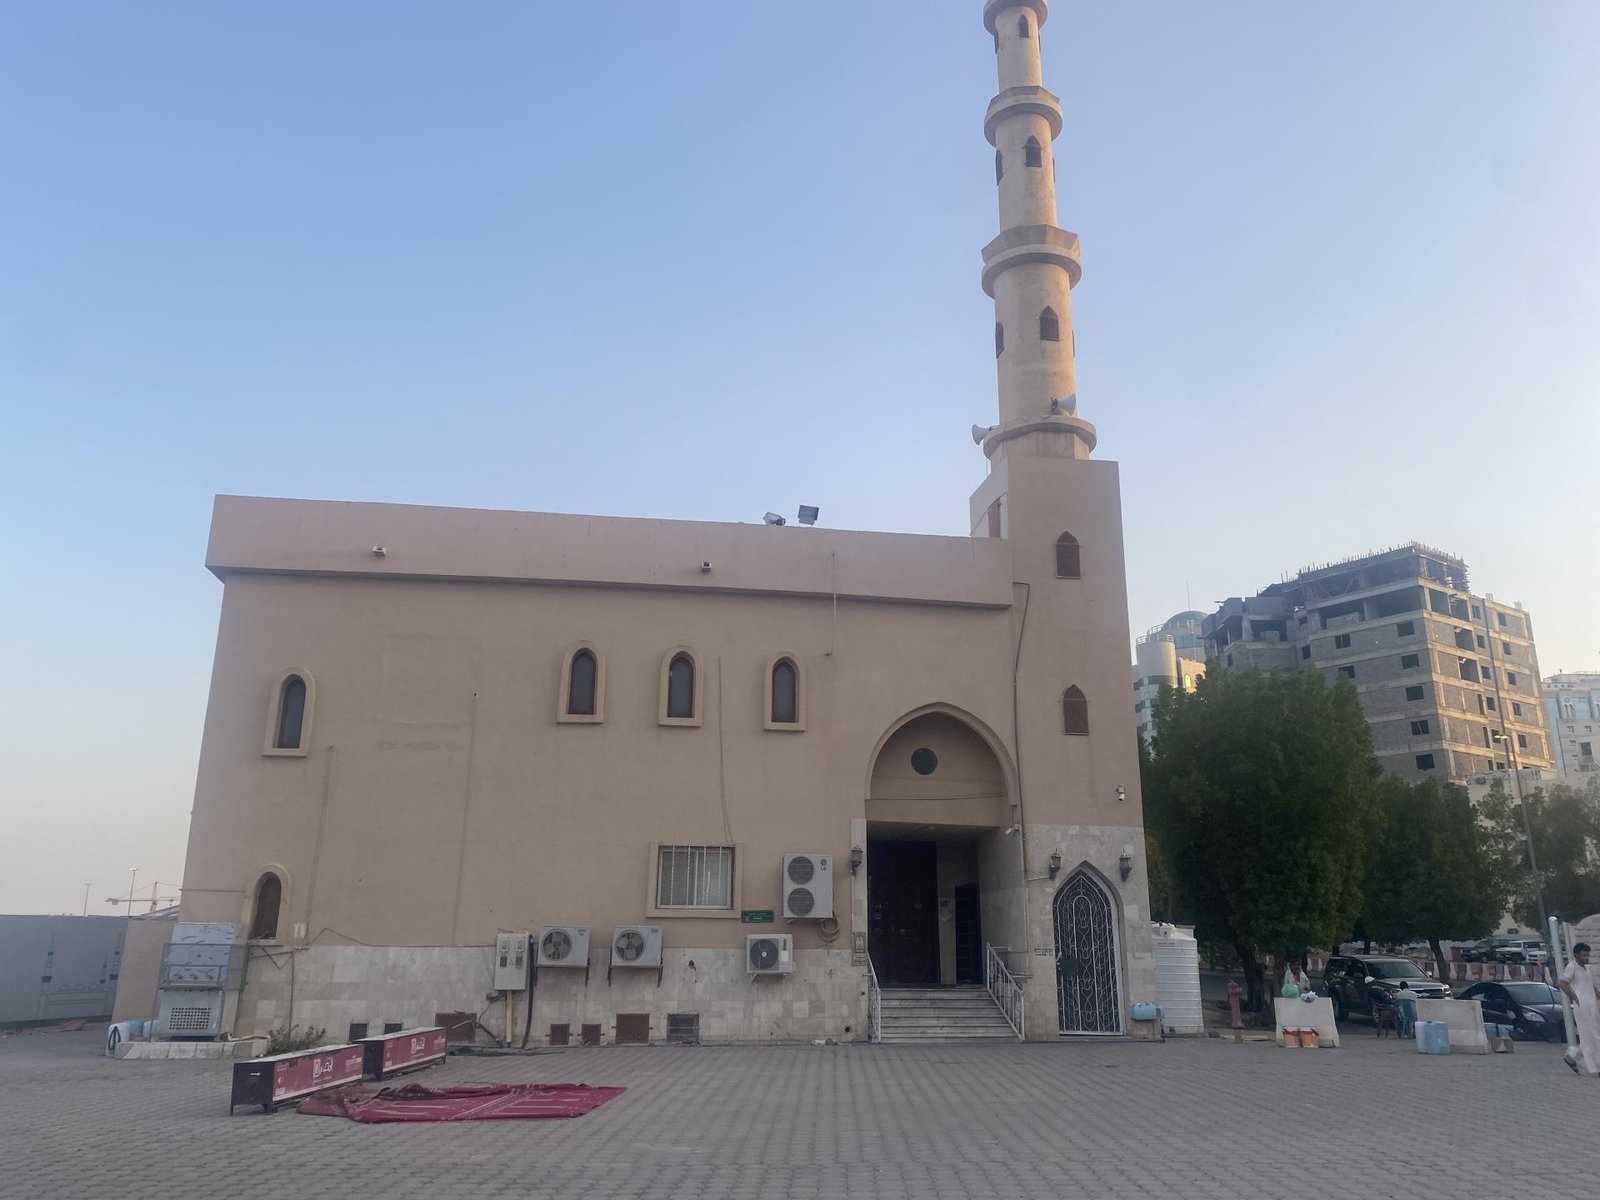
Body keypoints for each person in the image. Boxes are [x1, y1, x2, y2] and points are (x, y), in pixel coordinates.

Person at [1558, 942, 1600, 1076]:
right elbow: (1562, 983)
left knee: (1591, 1035)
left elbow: (1590, 986)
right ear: (1576, 955)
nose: (1586, 958)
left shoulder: (1585, 968)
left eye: (1588, 955)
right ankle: (1595, 1068)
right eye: (1584, 955)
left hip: (1592, 1005)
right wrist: (1575, 998)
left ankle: (1572, 1057)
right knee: (1591, 1036)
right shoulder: (1572, 967)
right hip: (1582, 1006)